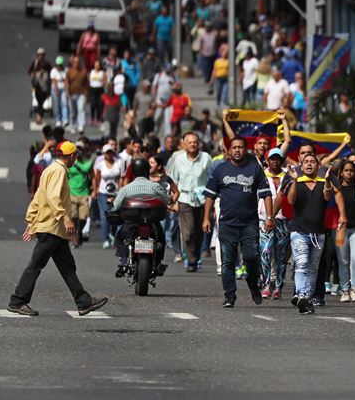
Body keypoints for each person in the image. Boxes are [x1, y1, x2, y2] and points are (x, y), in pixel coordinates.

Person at [8, 141, 108, 317]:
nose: (76, 158)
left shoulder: (50, 169)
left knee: (67, 266)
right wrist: (66, 219)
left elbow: (39, 196)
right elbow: (54, 198)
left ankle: (83, 302)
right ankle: (17, 301)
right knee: (36, 265)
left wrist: (30, 219)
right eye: (75, 155)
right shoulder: (59, 171)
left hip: (54, 227)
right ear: (71, 156)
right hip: (52, 226)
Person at [203, 136, 274, 308]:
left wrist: (270, 217)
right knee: (228, 261)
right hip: (227, 223)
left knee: (252, 257)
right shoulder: (221, 169)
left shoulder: (255, 169)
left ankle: (253, 284)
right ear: (229, 150)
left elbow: (266, 194)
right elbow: (210, 196)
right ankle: (229, 296)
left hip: (249, 223)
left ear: (245, 149)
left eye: (240, 147)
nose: (237, 150)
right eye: (234, 147)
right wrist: (206, 218)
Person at [286, 154, 335, 314]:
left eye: (312, 162)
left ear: (318, 165)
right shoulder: (296, 182)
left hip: (318, 233)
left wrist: (327, 180)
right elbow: (291, 200)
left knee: (313, 268)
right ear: (301, 165)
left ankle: (306, 298)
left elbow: (328, 196)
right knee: (301, 264)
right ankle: (301, 294)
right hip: (299, 232)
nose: (309, 164)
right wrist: (294, 180)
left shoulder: (323, 183)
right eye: (306, 162)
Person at [111, 158, 172, 276]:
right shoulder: (155, 186)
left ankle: (124, 263)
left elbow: (116, 205)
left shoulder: (126, 189)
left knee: (120, 237)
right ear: (148, 171)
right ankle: (158, 263)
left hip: (131, 223)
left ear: (133, 172)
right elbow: (167, 200)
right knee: (161, 239)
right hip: (153, 223)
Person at [169, 132, 213, 272]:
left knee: (199, 232)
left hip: (202, 199)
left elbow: (212, 179)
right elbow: (173, 181)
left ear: (198, 143)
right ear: (184, 144)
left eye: (195, 142)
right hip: (185, 199)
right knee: (188, 233)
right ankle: (191, 259)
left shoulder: (206, 158)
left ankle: (195, 258)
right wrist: (174, 201)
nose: (193, 144)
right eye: (190, 142)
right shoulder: (179, 159)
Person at [259, 148, 291, 300]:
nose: (275, 161)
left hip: (283, 219)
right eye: (272, 158)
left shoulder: (288, 175)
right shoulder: (261, 175)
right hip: (264, 218)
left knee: (281, 254)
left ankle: (278, 286)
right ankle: (266, 284)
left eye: (278, 158)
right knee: (266, 251)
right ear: (268, 160)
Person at [336, 159, 355, 302]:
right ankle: (345, 290)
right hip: (341, 229)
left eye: (352, 171)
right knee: (343, 260)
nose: (349, 173)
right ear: (341, 172)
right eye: (346, 170)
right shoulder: (337, 189)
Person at [92, 144, 123, 248]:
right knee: (105, 215)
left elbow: (121, 178)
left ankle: (113, 235)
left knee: (114, 214)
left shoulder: (119, 162)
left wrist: (121, 190)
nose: (109, 154)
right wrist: (95, 191)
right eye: (107, 152)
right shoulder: (100, 163)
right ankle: (105, 239)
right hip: (103, 192)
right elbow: (97, 178)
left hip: (115, 193)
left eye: (111, 152)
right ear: (104, 154)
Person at [67, 143, 93, 249]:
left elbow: (89, 172)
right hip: (72, 192)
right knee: (73, 217)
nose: (79, 153)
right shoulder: (70, 163)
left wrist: (94, 190)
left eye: (81, 151)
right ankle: (74, 238)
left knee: (83, 217)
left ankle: (79, 231)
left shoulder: (88, 163)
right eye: (77, 151)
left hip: (84, 193)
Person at [65, 56, 89, 134]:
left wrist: (87, 93)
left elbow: (87, 83)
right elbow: (66, 82)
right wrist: (67, 92)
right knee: (73, 111)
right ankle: (73, 126)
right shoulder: (69, 71)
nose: (76, 64)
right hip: (72, 94)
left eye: (78, 62)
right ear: (73, 63)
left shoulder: (84, 72)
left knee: (81, 109)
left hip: (81, 94)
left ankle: (81, 126)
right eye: (75, 62)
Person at [29, 49, 51, 125]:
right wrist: (33, 75)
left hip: (44, 86)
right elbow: (30, 71)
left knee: (42, 103)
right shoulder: (35, 63)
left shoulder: (47, 63)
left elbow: (51, 73)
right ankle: (39, 117)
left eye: (42, 54)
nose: (41, 56)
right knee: (39, 102)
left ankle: (39, 117)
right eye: (39, 54)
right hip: (37, 86)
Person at [50, 56, 68, 127]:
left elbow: (66, 81)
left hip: (63, 89)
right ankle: (58, 119)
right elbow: (54, 81)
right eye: (58, 65)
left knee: (64, 103)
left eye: (60, 65)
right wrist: (56, 90)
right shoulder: (54, 71)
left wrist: (66, 91)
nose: (59, 66)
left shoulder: (66, 70)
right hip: (55, 89)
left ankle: (65, 119)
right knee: (57, 105)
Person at [88, 60, 106, 126]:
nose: (97, 66)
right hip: (93, 89)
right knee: (92, 105)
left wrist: (103, 81)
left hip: (100, 90)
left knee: (99, 105)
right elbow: (89, 80)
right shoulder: (92, 72)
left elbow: (104, 81)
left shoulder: (102, 72)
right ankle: (92, 118)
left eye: (98, 65)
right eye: (96, 65)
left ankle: (98, 119)